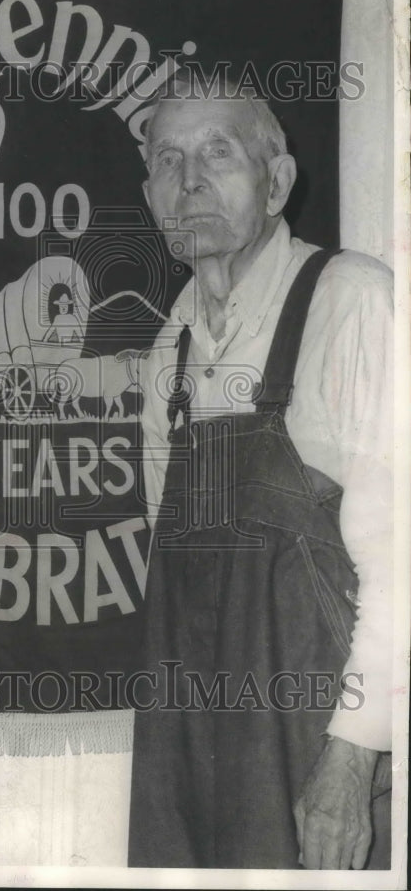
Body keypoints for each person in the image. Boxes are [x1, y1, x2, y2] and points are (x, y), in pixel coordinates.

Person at [128, 76, 393, 870]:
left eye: (218, 151)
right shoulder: (165, 351)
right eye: (168, 159)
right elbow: (172, 563)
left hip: (323, 757)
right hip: (194, 758)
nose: (191, 179)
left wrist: (352, 759)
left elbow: (402, 563)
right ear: (150, 198)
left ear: (276, 182)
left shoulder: (351, 302)